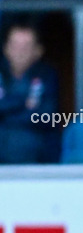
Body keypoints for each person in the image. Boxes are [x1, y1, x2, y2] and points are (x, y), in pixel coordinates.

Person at [0, 22, 60, 163]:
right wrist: (23, 102)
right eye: (15, 46)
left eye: (26, 47)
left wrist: (5, 113)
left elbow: (47, 116)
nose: (20, 52)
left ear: (38, 51)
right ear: (6, 49)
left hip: (35, 154)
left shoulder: (47, 74)